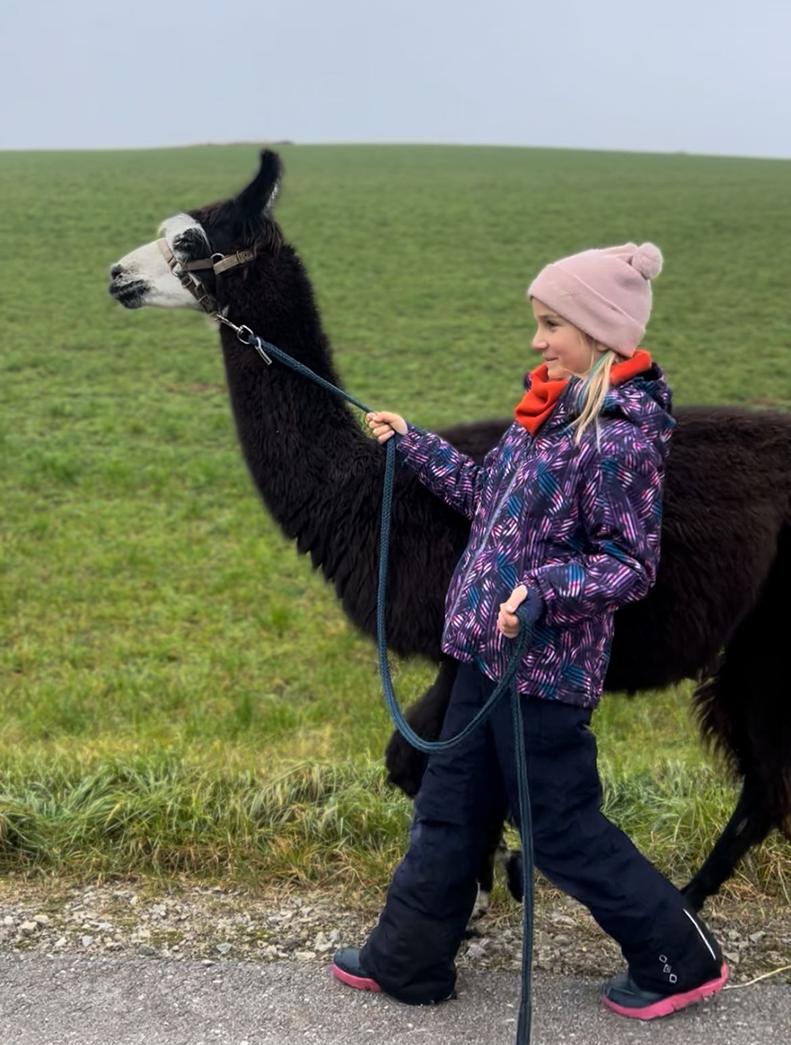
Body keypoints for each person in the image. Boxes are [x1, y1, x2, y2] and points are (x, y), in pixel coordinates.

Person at [332, 243, 728, 1020]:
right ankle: (408, 957)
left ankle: (679, 959)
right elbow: (488, 495)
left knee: (559, 827)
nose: (536, 339)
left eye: (551, 324)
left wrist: (543, 594)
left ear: (598, 330)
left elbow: (628, 563)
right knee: (448, 807)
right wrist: (414, 445)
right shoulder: (545, 413)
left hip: (542, 674)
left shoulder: (618, 438)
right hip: (483, 654)